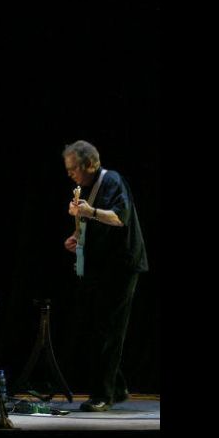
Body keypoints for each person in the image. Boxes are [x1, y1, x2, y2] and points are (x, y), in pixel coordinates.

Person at [62, 140, 148, 412]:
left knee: (109, 330)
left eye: (73, 168)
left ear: (90, 164)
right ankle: (117, 385)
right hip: (102, 267)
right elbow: (95, 224)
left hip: (121, 266)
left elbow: (119, 218)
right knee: (95, 327)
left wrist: (90, 211)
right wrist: (77, 236)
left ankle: (103, 395)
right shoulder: (90, 188)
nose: (70, 174)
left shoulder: (112, 181)